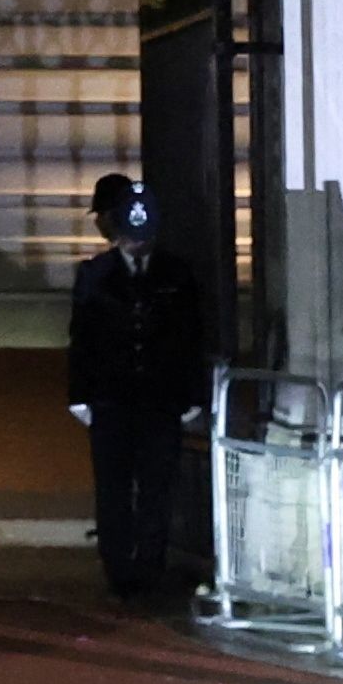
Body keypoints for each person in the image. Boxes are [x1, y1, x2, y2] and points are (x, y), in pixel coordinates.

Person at [68, 171, 207, 600]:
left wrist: (190, 395)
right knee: (113, 487)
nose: (134, 243)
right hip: (112, 398)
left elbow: (189, 338)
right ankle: (119, 569)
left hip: (159, 398)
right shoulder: (94, 275)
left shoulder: (175, 274)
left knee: (156, 487)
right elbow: (82, 339)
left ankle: (148, 565)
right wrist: (80, 395)